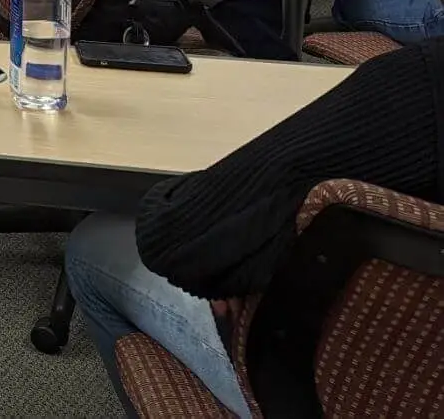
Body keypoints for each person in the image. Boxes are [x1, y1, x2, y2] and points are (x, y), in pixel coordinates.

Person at [64, 37, 444, 417]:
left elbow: (175, 231)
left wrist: (239, 247)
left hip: (324, 393)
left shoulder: (420, 85)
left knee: (95, 243)